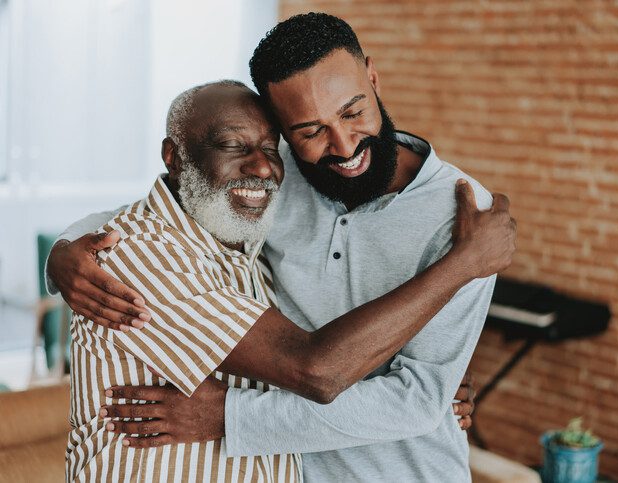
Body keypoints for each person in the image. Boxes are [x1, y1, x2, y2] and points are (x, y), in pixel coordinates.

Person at [48, 13, 516, 483]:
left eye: (353, 111)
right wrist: (64, 252)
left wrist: (233, 417)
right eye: (309, 131)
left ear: (372, 79)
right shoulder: (272, 173)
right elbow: (168, 206)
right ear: (285, 129)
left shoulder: (469, 221)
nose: (343, 144)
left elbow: (416, 401)